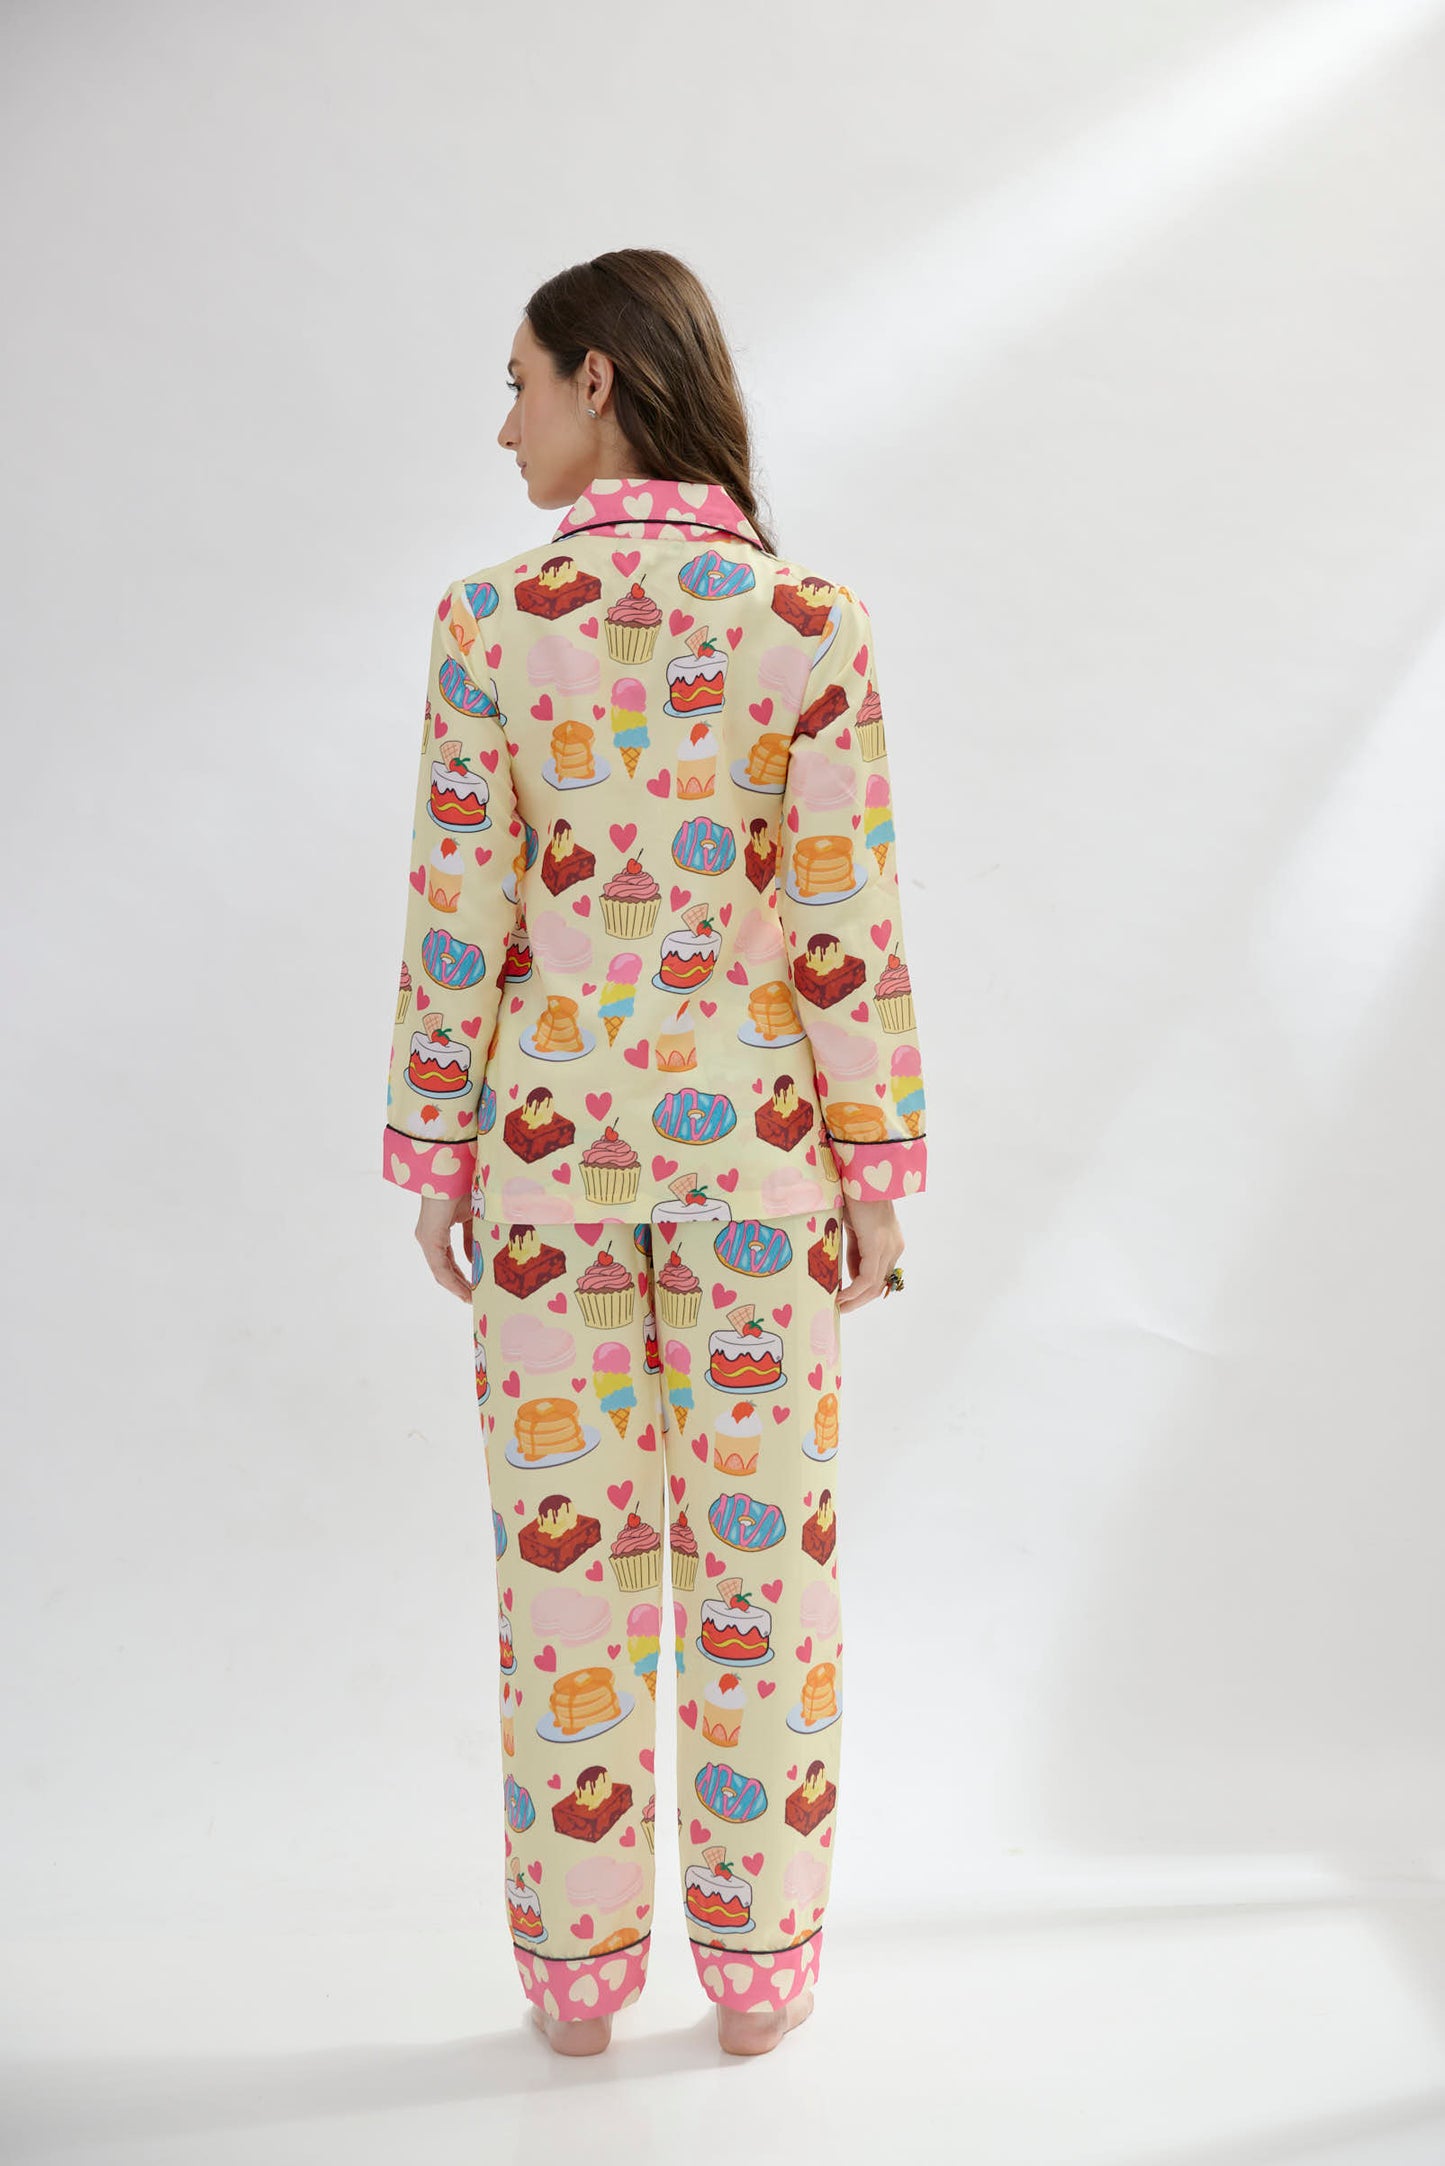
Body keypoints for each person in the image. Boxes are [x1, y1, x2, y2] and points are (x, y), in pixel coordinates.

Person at [381, 250, 927, 2058]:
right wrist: (876, 1176)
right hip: (761, 1169)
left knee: (566, 1593)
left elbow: (459, 913)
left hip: (546, 1174)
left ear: (598, 380)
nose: (506, 423)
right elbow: (843, 922)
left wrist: (438, 1152)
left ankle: (576, 1980)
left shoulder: (489, 622)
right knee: (767, 1582)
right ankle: (757, 1975)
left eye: (520, 380)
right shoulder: (806, 623)